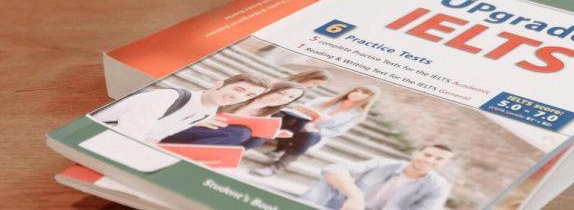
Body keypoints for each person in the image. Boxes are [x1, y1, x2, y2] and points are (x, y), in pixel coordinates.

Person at [93, 74, 270, 145]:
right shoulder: (168, 97)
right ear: (218, 84)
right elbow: (128, 133)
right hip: (98, 135)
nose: (238, 97)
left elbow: (156, 136)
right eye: (238, 89)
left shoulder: (209, 112)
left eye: (247, 96)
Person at [252, 85, 380, 176]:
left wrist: (317, 128)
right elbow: (299, 110)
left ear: (368, 98)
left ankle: (276, 167)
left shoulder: (356, 115)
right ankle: (278, 148)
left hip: (314, 134)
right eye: (356, 90)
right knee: (286, 118)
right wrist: (306, 117)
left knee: (309, 135)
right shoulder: (325, 100)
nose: (357, 94)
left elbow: (337, 132)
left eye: (364, 93)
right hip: (297, 125)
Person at [299, 144, 454, 210]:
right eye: (427, 154)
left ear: (444, 164)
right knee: (329, 181)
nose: (429, 160)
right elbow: (333, 169)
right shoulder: (384, 164)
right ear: (416, 153)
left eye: (439, 159)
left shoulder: (439, 186)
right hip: (347, 206)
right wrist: (355, 196)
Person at [159, 81, 306, 147]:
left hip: (208, 136)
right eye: (282, 93)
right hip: (186, 126)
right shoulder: (239, 96)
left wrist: (273, 134)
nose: (283, 98)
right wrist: (198, 120)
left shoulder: (266, 115)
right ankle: (187, 154)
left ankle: (194, 153)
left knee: (255, 138)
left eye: (290, 98)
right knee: (242, 133)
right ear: (270, 90)